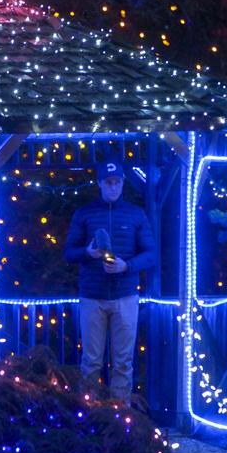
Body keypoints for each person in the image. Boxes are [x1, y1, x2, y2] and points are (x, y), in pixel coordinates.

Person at [64, 161, 156, 404]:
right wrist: (87, 252)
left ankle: (120, 417)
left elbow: (151, 254)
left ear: (123, 183)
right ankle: (91, 416)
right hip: (92, 297)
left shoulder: (136, 214)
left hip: (125, 296)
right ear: (100, 183)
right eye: (108, 182)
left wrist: (127, 266)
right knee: (91, 361)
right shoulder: (84, 213)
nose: (113, 186)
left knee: (123, 362)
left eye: (117, 182)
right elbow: (68, 253)